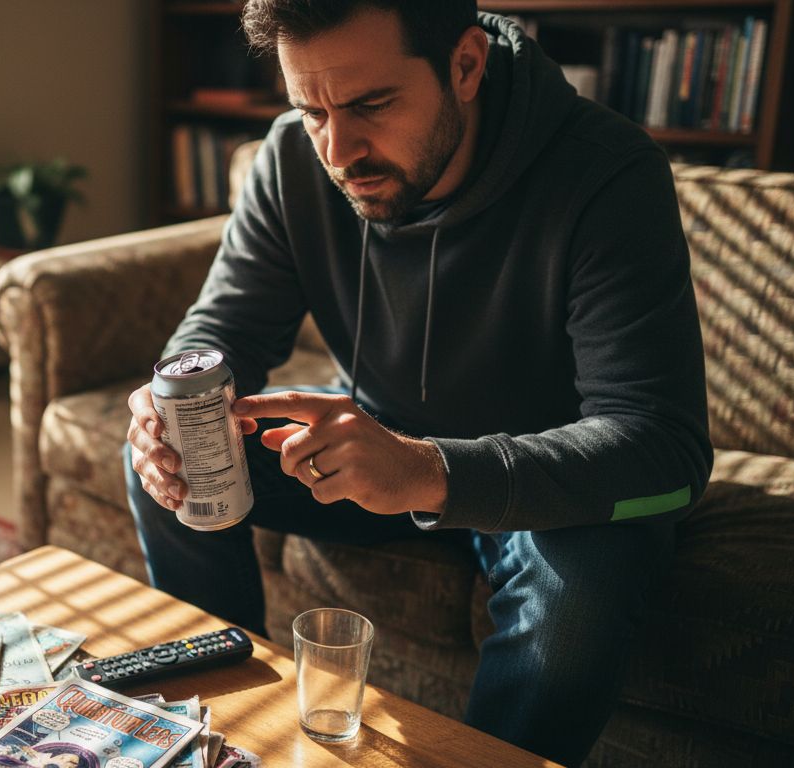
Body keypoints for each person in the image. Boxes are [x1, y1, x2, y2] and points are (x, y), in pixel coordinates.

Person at [124, 1, 713, 765]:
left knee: (580, 599)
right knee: (172, 469)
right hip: (379, 451)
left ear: (465, 65)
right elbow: (223, 330)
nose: (339, 149)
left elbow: (665, 449)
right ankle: (231, 739)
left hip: (553, 489)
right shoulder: (293, 159)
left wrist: (430, 470)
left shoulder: (607, 173)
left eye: (372, 105)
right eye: (311, 110)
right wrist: (170, 402)